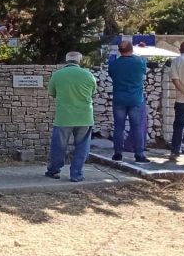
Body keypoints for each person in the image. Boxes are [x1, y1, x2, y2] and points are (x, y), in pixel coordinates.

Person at [46, 51, 97, 182]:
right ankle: (76, 174)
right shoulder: (88, 75)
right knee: (82, 146)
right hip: (85, 116)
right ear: (80, 61)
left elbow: (52, 93)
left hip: (64, 116)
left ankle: (54, 171)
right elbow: (93, 92)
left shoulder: (57, 75)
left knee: (59, 146)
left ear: (66, 60)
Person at [108, 40, 149, 164]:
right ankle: (139, 155)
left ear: (119, 51)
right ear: (132, 49)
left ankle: (117, 154)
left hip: (119, 99)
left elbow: (112, 75)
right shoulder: (140, 62)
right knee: (137, 127)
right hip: (136, 99)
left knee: (118, 127)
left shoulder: (114, 64)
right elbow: (144, 71)